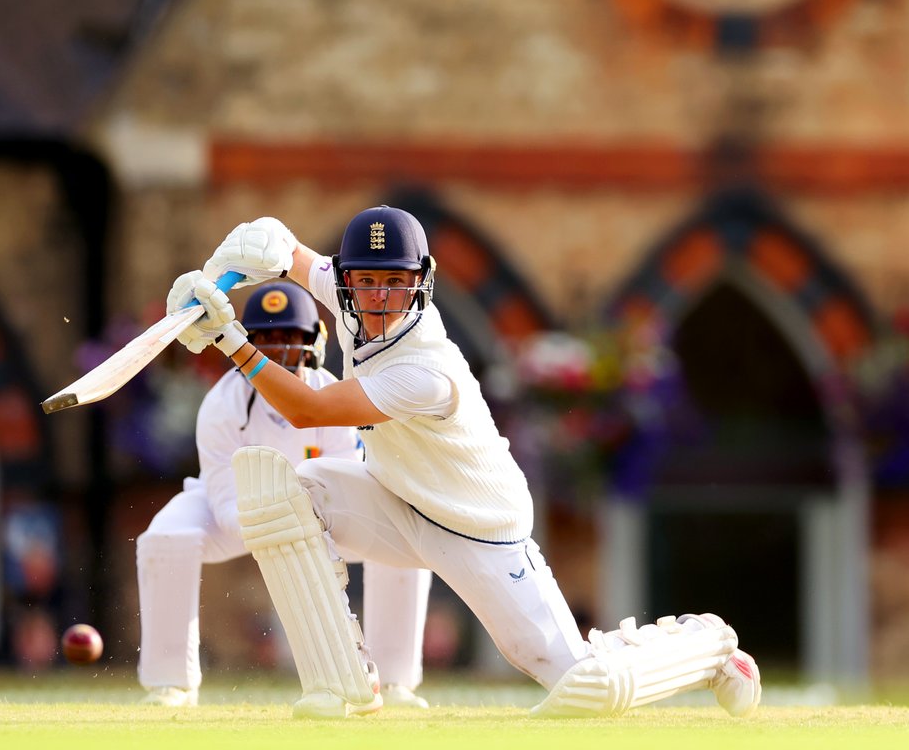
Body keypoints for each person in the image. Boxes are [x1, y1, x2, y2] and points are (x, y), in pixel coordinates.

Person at [167, 206, 761, 719]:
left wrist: (232, 340)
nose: (377, 299)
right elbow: (276, 244)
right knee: (288, 491)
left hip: (478, 529)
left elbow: (309, 408)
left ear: (420, 283)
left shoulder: (424, 369)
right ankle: (345, 681)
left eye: (393, 283)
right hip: (395, 499)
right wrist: (212, 280)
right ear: (346, 280)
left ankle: (706, 645)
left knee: (586, 686)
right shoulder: (350, 297)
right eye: (365, 281)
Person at [138, 281, 432, 707]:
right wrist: (274, 528)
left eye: (288, 337)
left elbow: (346, 488)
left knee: (405, 545)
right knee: (166, 535)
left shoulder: (332, 398)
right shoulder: (222, 406)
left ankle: (395, 680)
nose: (277, 350)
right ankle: (172, 683)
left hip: (323, 515)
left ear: (311, 343)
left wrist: (303, 530)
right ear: (248, 344)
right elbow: (223, 503)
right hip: (241, 514)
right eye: (266, 338)